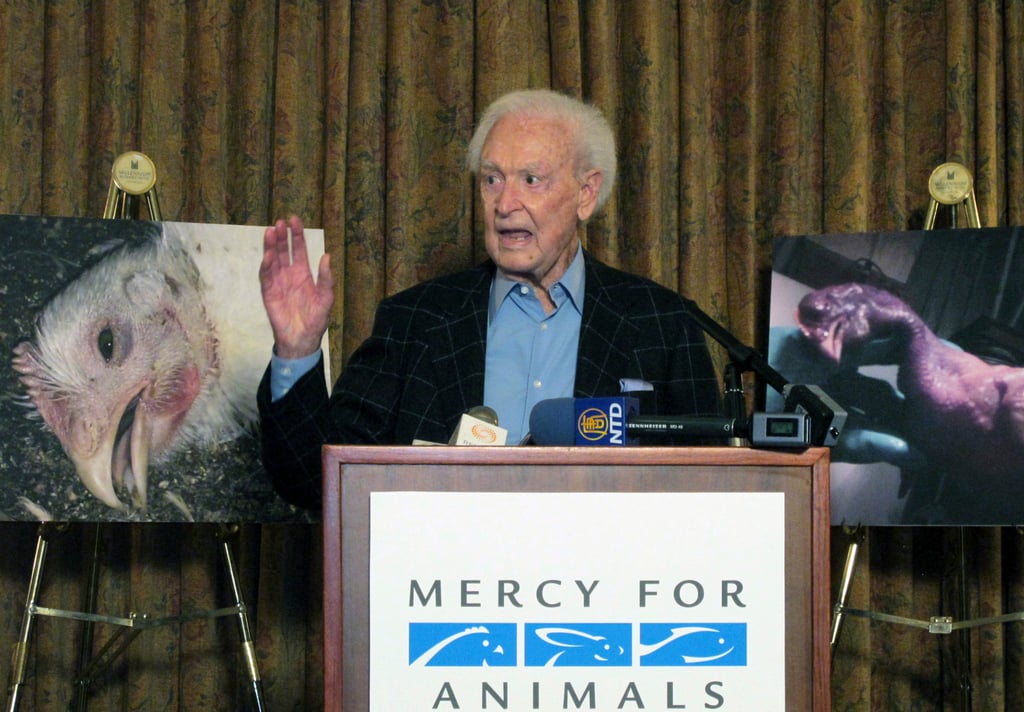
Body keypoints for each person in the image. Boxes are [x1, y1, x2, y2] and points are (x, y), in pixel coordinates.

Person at [258, 89, 722, 509]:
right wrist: (296, 353)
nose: (505, 204)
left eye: (531, 180)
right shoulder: (415, 320)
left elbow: (713, 492)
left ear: (586, 194)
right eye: (492, 179)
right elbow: (317, 482)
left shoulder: (661, 322)